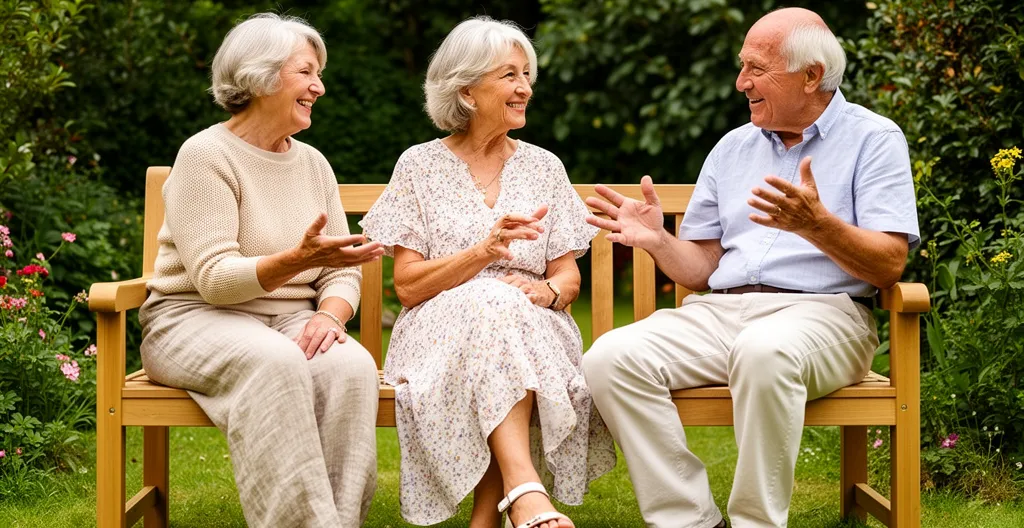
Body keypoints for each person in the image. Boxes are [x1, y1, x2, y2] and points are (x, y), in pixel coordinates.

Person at [581, 7, 920, 528]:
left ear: (811, 75)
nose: (742, 83)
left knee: (763, 351)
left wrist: (817, 226)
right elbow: (701, 268)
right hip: (723, 313)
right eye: (743, 67)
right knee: (610, 357)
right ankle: (689, 520)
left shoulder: (874, 139)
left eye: (757, 69)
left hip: (827, 314)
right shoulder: (731, 148)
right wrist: (658, 241)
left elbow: (889, 265)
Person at [360, 16, 614, 528]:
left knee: (499, 312)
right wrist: (485, 252)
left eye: (526, 75)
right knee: (489, 303)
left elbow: (567, 279)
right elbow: (407, 287)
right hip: (436, 332)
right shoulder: (418, 166)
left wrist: (544, 291)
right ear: (468, 90)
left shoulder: (545, 166)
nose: (525, 88)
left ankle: (495, 511)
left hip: (533, 326)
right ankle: (524, 494)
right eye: (509, 76)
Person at [138, 13, 385, 528]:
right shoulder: (205, 156)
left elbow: (340, 270)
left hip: (288, 319)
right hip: (191, 317)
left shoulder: (314, 163)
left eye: (319, 73)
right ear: (260, 76)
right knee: (276, 363)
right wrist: (298, 260)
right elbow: (215, 280)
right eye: (306, 72)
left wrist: (332, 318)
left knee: (350, 367)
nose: (319, 86)